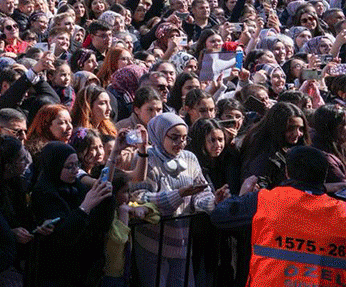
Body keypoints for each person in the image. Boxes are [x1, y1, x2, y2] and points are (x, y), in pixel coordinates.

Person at [211, 146, 346, 287]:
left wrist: (242, 196)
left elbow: (220, 216)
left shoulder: (264, 200)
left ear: (287, 172)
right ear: (324, 175)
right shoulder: (342, 212)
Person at [133, 113, 223, 287]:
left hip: (182, 242)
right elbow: (139, 197)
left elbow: (199, 193)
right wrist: (178, 194)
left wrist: (214, 201)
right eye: (174, 138)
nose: (180, 143)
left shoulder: (189, 158)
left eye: (184, 138)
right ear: (159, 134)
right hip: (152, 244)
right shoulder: (146, 159)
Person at [29, 143, 114, 287]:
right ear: (55, 165)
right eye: (69, 166)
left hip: (84, 270)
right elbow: (64, 235)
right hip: (56, 271)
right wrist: (84, 208)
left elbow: (101, 225)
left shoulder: (78, 188)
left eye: (77, 165)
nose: (75, 170)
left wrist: (105, 199)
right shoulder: (44, 192)